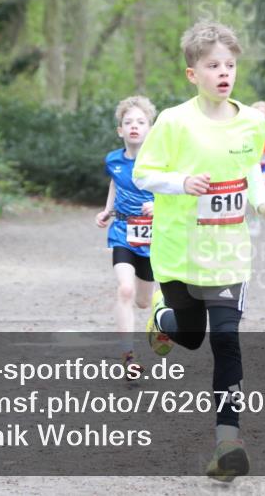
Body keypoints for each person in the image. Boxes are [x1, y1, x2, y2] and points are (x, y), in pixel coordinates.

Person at [133, 21, 265, 482]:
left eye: (230, 65)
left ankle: (228, 443)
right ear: (191, 74)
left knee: (224, 339)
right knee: (192, 335)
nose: (224, 73)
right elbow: (144, 175)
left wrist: (262, 202)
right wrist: (181, 183)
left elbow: (250, 172)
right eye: (213, 65)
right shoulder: (174, 121)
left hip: (227, 254)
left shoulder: (253, 123)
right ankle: (162, 320)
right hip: (179, 251)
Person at [94, 96, 157, 378]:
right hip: (122, 233)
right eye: (128, 122)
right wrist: (108, 209)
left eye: (141, 122)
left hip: (154, 238)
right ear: (120, 130)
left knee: (144, 301)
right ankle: (128, 356)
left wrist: (159, 206)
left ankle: (158, 316)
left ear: (150, 129)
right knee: (125, 290)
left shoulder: (160, 162)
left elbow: (176, 190)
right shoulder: (113, 160)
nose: (134, 126)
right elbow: (115, 182)